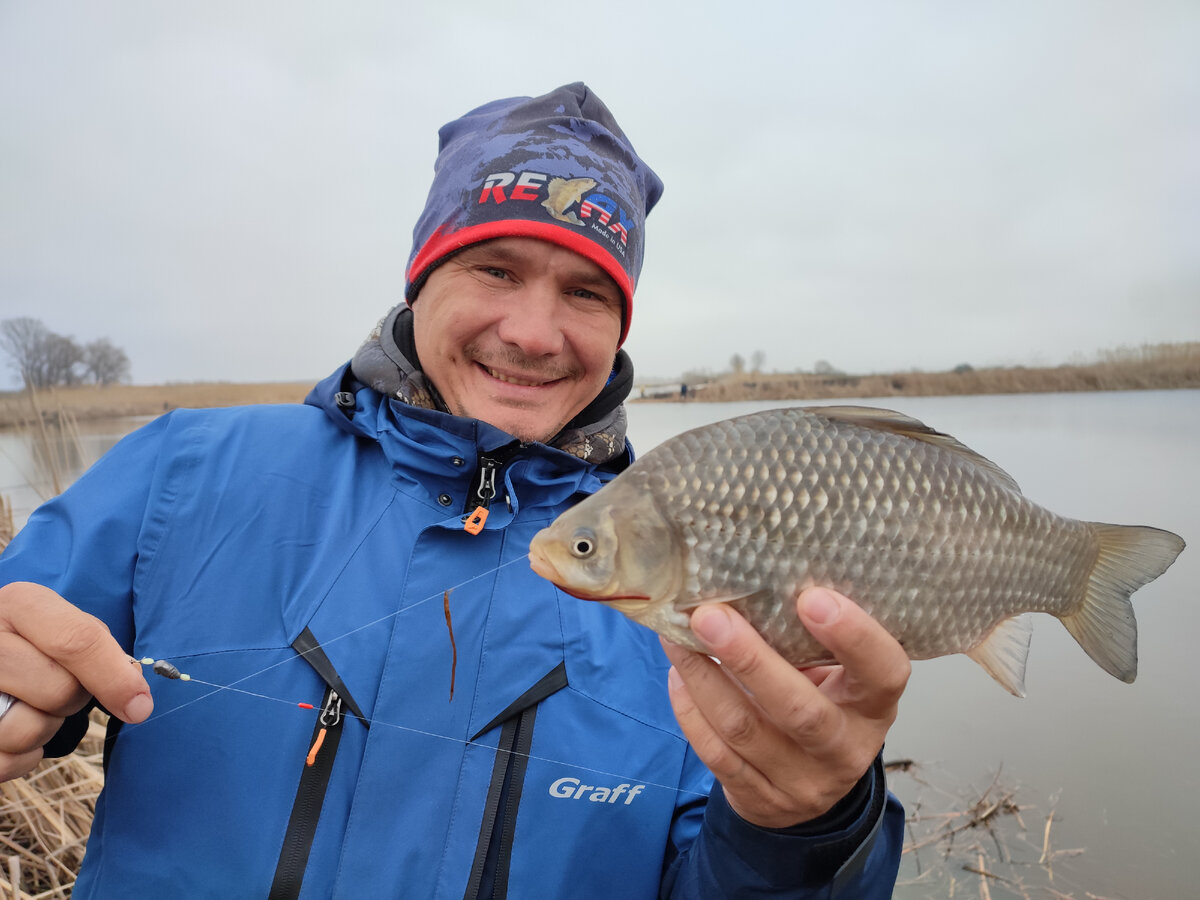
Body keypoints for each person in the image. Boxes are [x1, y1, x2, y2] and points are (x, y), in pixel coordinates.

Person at [0, 83, 910, 897]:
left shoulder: (699, 576)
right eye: (496, 269)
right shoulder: (183, 470)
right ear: (423, 275)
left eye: (588, 292)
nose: (534, 331)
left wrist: (810, 830)